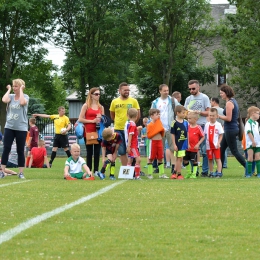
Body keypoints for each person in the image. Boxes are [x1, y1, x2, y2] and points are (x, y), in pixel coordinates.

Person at [0, 79, 29, 179]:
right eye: (13, 86)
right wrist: (8, 90)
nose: (14, 88)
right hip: (9, 127)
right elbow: (4, 100)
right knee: (6, 149)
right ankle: (2, 171)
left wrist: (21, 90)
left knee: (20, 150)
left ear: (21, 87)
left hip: (21, 128)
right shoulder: (11, 97)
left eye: (16, 86)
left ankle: (21, 172)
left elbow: (22, 102)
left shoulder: (25, 97)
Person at [184, 79, 211, 177]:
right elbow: (185, 112)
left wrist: (199, 112)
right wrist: (188, 114)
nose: (191, 91)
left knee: (203, 150)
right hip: (190, 127)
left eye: (193, 88)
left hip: (201, 125)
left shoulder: (204, 97)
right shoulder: (188, 99)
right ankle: (193, 171)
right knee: (191, 150)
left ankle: (204, 170)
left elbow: (208, 112)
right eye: (190, 89)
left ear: (198, 87)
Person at [110, 82, 140, 166]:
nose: (127, 91)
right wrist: (118, 122)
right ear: (119, 91)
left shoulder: (133, 101)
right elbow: (112, 115)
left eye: (128, 90)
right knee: (122, 150)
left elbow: (138, 114)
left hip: (130, 129)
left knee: (132, 148)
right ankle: (126, 169)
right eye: (125, 90)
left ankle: (134, 168)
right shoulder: (114, 101)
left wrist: (132, 125)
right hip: (118, 129)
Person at [151, 84, 179, 174]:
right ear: (160, 91)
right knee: (159, 149)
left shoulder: (172, 100)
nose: (166, 92)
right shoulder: (155, 102)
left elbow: (179, 109)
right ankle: (159, 167)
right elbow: (151, 114)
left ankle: (173, 167)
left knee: (172, 148)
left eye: (167, 90)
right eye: (164, 91)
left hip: (171, 127)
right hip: (159, 129)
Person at [219, 84, 246, 174]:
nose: (221, 95)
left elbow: (229, 118)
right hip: (229, 129)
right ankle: (219, 171)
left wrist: (218, 116)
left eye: (222, 93)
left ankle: (248, 168)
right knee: (221, 150)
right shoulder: (233, 101)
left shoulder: (229, 103)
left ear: (226, 93)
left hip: (230, 129)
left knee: (234, 151)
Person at [78, 87, 104, 176]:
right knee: (89, 152)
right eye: (96, 94)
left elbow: (103, 120)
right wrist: (92, 121)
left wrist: (101, 119)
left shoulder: (101, 107)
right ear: (91, 95)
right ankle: (89, 170)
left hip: (98, 131)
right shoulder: (86, 106)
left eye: (99, 94)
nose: (98, 96)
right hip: (88, 131)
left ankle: (96, 170)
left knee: (97, 151)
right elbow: (80, 119)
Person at [146, 108, 168, 179]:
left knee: (160, 157)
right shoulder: (150, 125)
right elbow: (149, 135)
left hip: (159, 142)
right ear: (152, 116)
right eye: (156, 115)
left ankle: (161, 174)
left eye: (159, 114)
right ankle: (149, 174)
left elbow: (162, 133)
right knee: (151, 158)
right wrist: (157, 130)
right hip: (153, 142)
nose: (158, 116)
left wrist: (163, 131)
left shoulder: (159, 123)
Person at [183, 111, 204, 179]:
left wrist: (198, 144)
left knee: (194, 161)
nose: (188, 120)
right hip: (187, 148)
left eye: (190, 118)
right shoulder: (187, 127)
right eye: (188, 118)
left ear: (195, 119)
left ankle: (194, 173)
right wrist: (187, 143)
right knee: (185, 160)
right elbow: (186, 136)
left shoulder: (198, 127)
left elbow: (203, 137)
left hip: (194, 148)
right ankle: (189, 172)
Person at [204, 108, 224, 178]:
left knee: (217, 159)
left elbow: (221, 135)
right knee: (210, 159)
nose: (211, 117)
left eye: (213, 115)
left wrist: (218, 142)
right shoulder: (207, 125)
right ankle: (211, 172)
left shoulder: (218, 124)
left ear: (216, 116)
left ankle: (219, 172)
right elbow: (205, 135)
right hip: (208, 145)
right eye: (210, 115)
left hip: (216, 145)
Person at [171, 105, 188, 179]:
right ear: (177, 113)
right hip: (178, 144)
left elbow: (188, 133)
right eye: (183, 113)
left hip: (183, 143)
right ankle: (179, 174)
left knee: (180, 158)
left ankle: (174, 173)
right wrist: (174, 144)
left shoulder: (186, 122)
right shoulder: (174, 123)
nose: (184, 114)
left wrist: (188, 142)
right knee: (179, 158)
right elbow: (173, 134)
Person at [124, 108, 142, 179]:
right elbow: (130, 135)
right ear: (137, 116)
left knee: (130, 160)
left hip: (131, 145)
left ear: (128, 115)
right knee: (138, 160)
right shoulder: (133, 124)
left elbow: (132, 134)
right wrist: (129, 146)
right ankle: (137, 176)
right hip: (133, 146)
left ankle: (127, 175)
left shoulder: (128, 123)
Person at [210, 97, 228, 168]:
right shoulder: (223, 110)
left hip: (214, 130)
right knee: (223, 148)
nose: (210, 103)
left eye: (211, 101)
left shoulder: (212, 111)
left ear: (214, 102)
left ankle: (216, 163)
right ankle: (224, 163)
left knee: (214, 148)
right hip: (222, 130)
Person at [244, 106, 260, 178]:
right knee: (250, 158)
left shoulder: (256, 123)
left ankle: (259, 173)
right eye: (258, 113)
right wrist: (253, 141)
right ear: (253, 113)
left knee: (257, 157)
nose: (259, 115)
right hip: (250, 143)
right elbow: (249, 132)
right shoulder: (248, 122)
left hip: (258, 144)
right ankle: (248, 173)